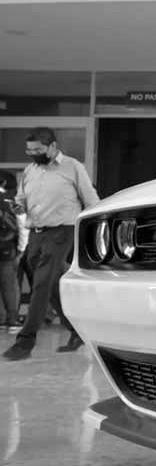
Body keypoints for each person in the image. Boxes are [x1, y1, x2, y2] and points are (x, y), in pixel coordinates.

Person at [2, 127, 100, 361]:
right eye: (29, 150)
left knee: (42, 283)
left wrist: (93, 236)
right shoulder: (30, 170)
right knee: (50, 283)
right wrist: (19, 206)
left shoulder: (73, 167)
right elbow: (22, 199)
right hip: (36, 233)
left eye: (38, 150)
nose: (33, 154)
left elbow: (92, 201)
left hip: (62, 231)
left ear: (53, 146)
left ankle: (25, 342)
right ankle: (76, 332)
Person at [0, 190, 23, 333]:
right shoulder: (7, 199)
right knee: (10, 286)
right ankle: (12, 320)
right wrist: (21, 248)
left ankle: (1, 320)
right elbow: (20, 223)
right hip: (7, 249)